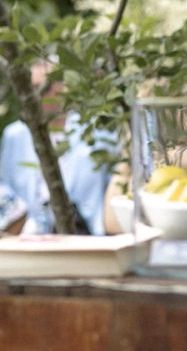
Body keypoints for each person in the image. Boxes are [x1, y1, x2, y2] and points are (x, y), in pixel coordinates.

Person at [0, 59, 112, 235]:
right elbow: (4, 185)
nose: (38, 95)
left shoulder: (96, 130)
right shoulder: (15, 135)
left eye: (46, 87)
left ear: (62, 88)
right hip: (30, 236)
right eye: (33, 88)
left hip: (86, 234)